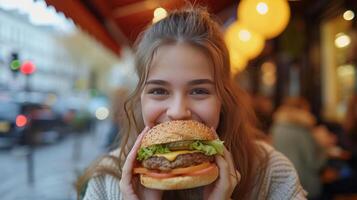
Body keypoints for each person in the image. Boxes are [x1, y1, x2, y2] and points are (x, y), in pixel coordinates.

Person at [77, 7, 306, 200]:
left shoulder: (272, 173)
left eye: (199, 91)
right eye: (158, 90)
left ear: (223, 98)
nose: (177, 112)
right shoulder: (105, 184)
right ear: (140, 99)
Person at [271, 97, 336, 199]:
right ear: (303, 110)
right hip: (305, 186)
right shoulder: (302, 130)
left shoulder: (277, 127)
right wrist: (324, 146)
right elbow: (315, 163)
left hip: (284, 185)